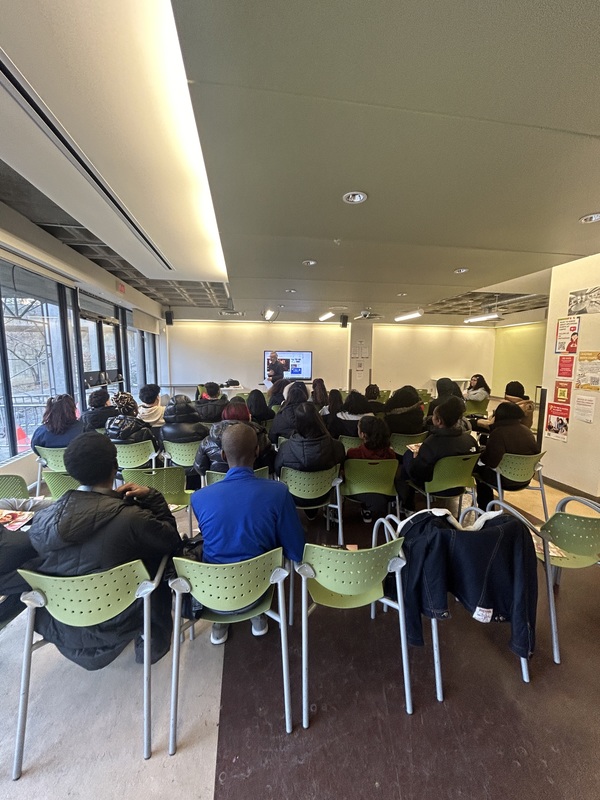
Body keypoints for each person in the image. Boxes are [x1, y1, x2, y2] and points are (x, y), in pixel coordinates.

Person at [26, 432, 181, 669]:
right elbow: (172, 543)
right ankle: (150, 642)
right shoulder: (133, 518)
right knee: (156, 554)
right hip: (123, 617)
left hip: (61, 622)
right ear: (115, 466)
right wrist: (154, 498)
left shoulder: (41, 521)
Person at [190, 424, 305, 644]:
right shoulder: (278, 492)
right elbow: (296, 550)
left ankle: (220, 621)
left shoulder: (199, 498)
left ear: (223, 455)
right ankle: (257, 615)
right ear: (257, 452)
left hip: (212, 593)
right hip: (259, 589)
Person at [400, 396, 478, 510]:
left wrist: (416, 458)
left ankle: (407, 505)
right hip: (460, 485)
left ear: (439, 421)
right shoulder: (470, 440)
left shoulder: (432, 443)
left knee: (408, 456)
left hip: (434, 486)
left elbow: (418, 472)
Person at [274, 403, 345, 518]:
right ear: (319, 419)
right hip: (325, 493)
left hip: (294, 495)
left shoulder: (285, 447)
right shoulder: (337, 446)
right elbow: (341, 468)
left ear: (297, 422)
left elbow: (278, 472)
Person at [474, 402, 540, 509]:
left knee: (478, 471)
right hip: (525, 478)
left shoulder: (498, 433)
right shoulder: (527, 431)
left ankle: (486, 510)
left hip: (505, 479)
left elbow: (491, 462)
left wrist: (480, 454)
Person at [193, 401, 274, 476]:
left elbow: (200, 468)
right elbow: (270, 467)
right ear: (248, 416)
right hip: (256, 486)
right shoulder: (261, 439)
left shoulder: (207, 441)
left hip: (220, 486)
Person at [346, 415, 398, 522]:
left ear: (363, 434)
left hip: (357, 491)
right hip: (385, 490)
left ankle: (367, 508)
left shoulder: (353, 454)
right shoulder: (390, 454)